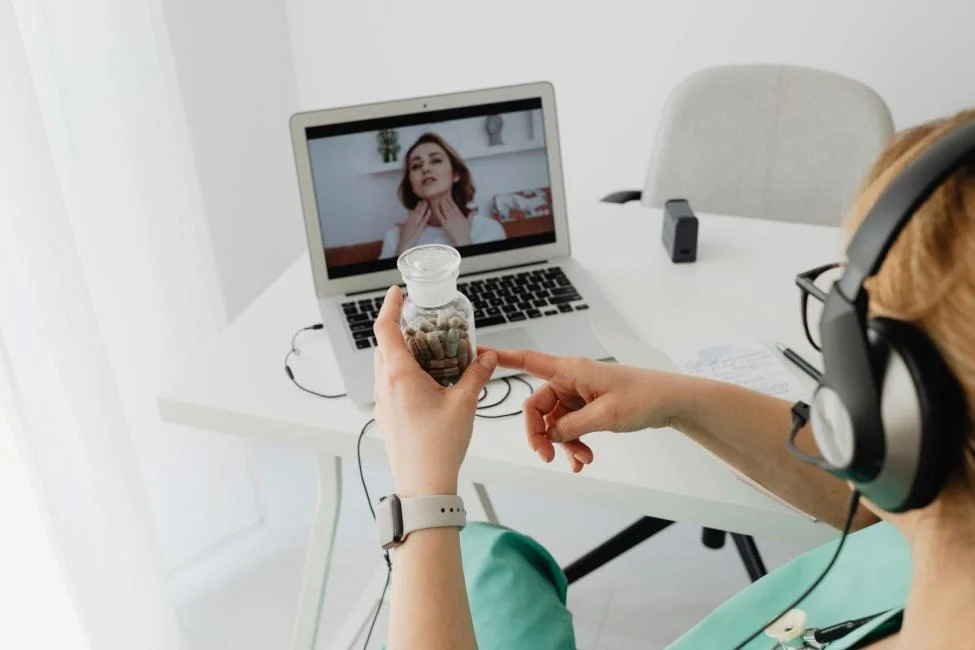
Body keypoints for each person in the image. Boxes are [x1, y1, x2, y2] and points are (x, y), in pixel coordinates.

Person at [372, 109, 975, 649]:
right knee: (489, 552)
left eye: (848, 308)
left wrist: (422, 492)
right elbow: (865, 501)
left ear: (905, 405)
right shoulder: (939, 506)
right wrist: (677, 398)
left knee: (483, 556)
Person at [379, 132, 506, 259]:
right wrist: (403, 246)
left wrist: (463, 240)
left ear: (455, 174)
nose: (425, 169)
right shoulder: (394, 237)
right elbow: (390, 279)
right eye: (416, 166)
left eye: (436, 160)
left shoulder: (488, 229)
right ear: (411, 185)